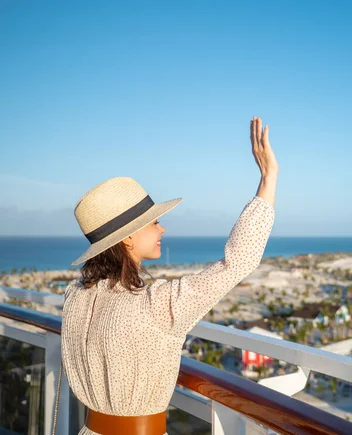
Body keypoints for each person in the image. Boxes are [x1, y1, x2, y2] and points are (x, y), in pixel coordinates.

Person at [61, 117, 278, 435]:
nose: (162, 227)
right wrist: (269, 177)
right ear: (127, 238)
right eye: (153, 222)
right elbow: (238, 261)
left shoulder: (76, 295)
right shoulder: (156, 304)